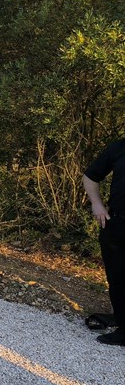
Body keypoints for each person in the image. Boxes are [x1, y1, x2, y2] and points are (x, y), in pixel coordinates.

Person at [83, 139, 125, 346]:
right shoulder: (119, 147)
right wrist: (97, 205)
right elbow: (90, 176)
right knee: (117, 279)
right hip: (117, 224)